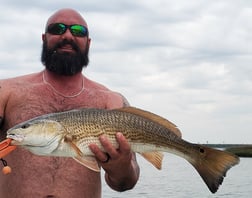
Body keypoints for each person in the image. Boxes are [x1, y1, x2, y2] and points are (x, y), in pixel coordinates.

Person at [0, 8, 140, 198]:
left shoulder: (112, 100)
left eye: (78, 31)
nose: (67, 35)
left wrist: (121, 167)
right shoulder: (6, 91)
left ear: (88, 42)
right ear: (44, 38)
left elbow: (126, 183)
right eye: (57, 29)